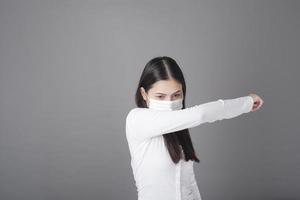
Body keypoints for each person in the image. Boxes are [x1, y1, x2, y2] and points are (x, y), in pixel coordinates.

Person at [125, 56, 263, 200]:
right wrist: (247, 102)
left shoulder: (179, 128)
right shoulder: (136, 119)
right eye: (160, 96)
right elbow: (200, 114)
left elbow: (189, 184)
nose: (170, 103)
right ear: (144, 94)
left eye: (176, 95)